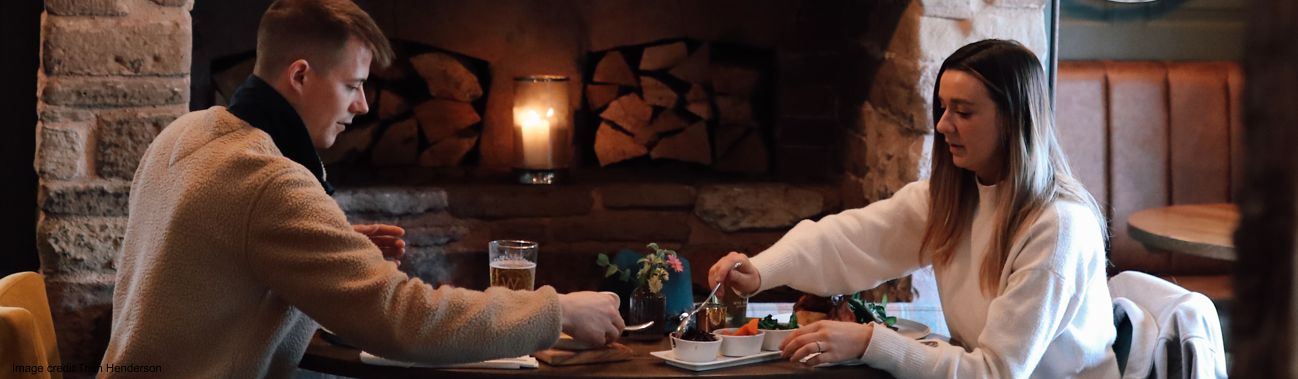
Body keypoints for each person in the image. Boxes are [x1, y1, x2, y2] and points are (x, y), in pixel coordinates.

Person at [100, 0, 623, 377]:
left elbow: (222, 267)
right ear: (300, 75)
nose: (364, 106)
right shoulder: (269, 182)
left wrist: (333, 251)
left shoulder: (187, 132)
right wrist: (558, 312)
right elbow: (403, 320)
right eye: (352, 85)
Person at [707, 39, 1118, 378]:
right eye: (943, 108)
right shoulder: (953, 197)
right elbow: (851, 240)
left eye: (964, 111)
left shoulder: (1058, 227)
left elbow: (996, 372)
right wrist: (760, 271)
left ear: (1013, 120)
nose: (942, 125)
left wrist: (871, 342)